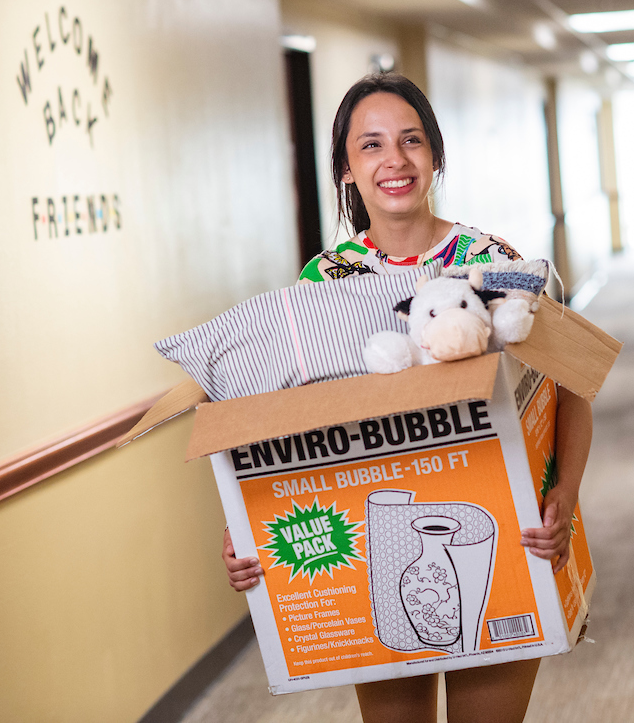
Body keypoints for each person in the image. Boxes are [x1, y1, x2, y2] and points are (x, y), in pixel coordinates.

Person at [221, 72, 593, 723]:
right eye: (370, 145)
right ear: (345, 167)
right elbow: (285, 426)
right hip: (379, 544)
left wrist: (563, 496)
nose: (394, 160)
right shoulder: (323, 282)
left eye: (411, 140)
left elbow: (571, 392)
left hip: (499, 538)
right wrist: (248, 525)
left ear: (436, 155)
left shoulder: (493, 262)